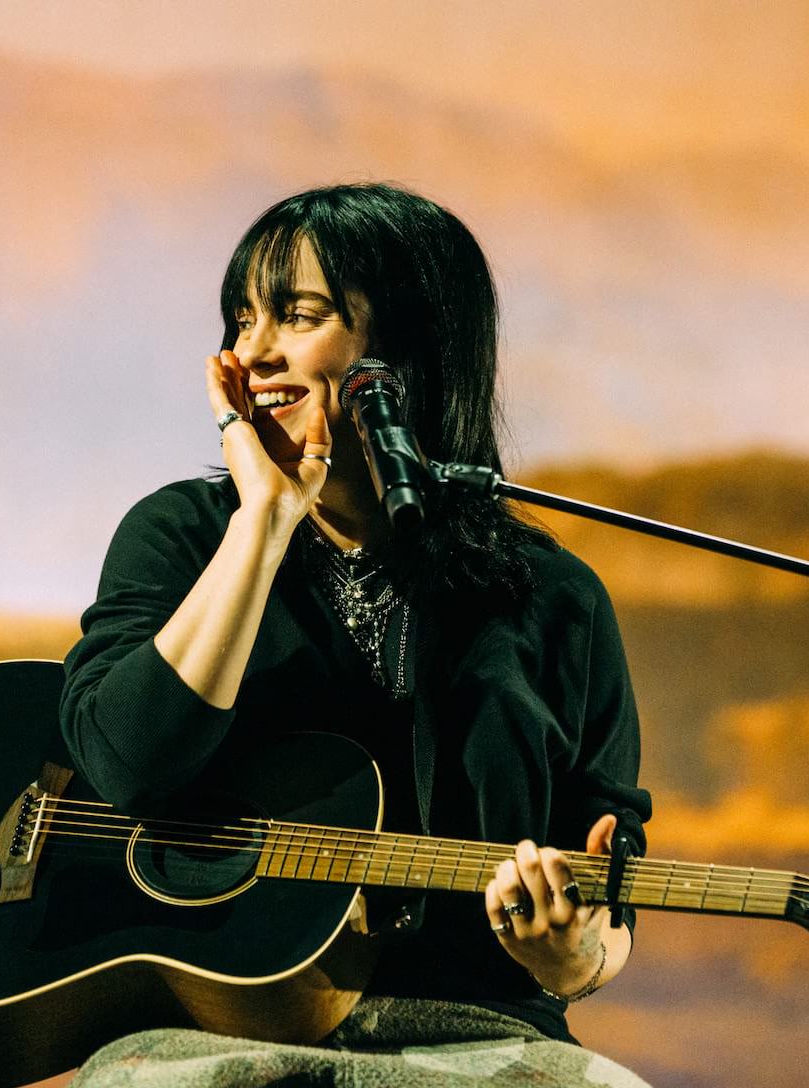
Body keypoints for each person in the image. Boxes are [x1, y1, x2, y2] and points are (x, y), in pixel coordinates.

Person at [59, 182, 653, 1086]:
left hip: (482, 1036)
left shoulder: (555, 599)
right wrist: (260, 526)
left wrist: (567, 956)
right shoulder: (181, 538)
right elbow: (128, 760)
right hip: (216, 1028)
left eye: (296, 316)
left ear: (404, 350)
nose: (251, 351)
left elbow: (605, 899)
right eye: (239, 318)